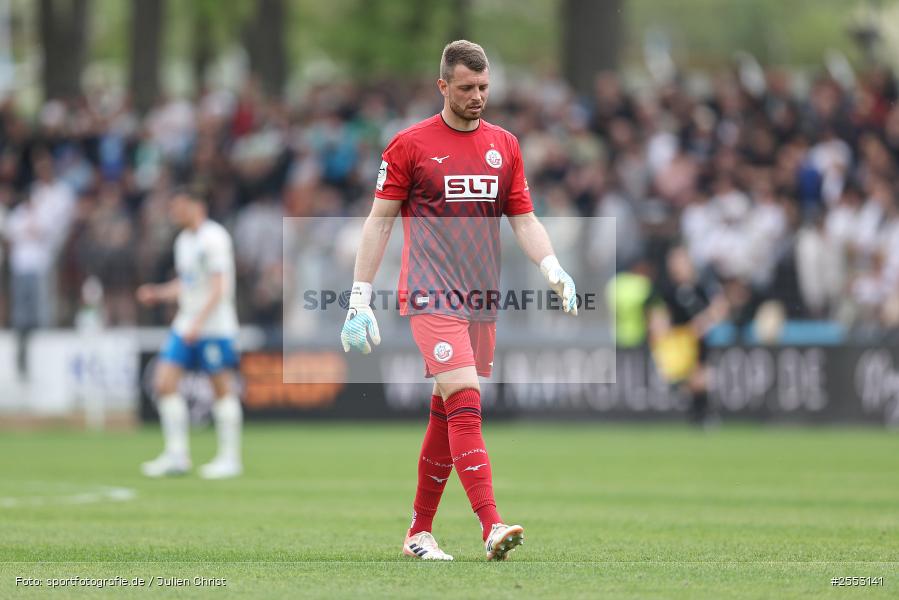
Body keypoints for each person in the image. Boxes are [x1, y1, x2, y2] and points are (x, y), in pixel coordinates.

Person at [340, 40, 578, 561]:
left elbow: (523, 217)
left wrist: (551, 265)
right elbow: (380, 221)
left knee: (446, 414)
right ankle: (491, 524)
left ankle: (418, 533)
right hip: (429, 293)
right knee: (467, 404)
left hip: (480, 298)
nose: (477, 96)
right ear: (443, 86)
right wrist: (359, 297)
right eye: (467, 88)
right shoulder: (409, 145)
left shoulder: (505, 146)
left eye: (484, 87)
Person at [136, 184, 243, 479]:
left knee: (222, 388)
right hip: (186, 323)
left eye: (179, 207)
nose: (174, 212)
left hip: (215, 327)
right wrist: (158, 294)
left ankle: (230, 458)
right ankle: (176, 455)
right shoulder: (183, 240)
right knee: (164, 383)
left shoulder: (214, 238)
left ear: (196, 206)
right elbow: (188, 284)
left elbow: (220, 288)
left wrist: (199, 322)